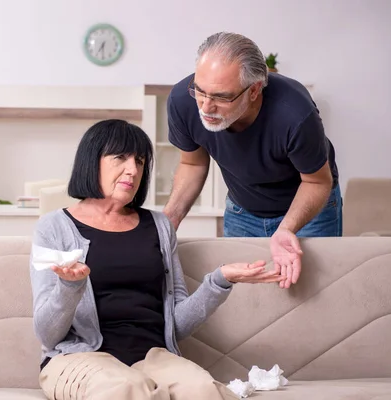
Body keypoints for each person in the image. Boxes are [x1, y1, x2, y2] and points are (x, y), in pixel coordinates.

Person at [29, 119, 285, 400]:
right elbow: (48, 334)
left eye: (139, 161)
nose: (133, 169)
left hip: (154, 357)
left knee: (204, 390)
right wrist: (69, 286)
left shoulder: (160, 227)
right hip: (80, 358)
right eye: (120, 158)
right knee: (127, 387)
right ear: (91, 161)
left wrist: (220, 281)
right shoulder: (54, 227)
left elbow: (177, 326)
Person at [163, 32, 342, 290]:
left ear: (255, 90)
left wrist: (286, 228)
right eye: (200, 91)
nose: (205, 107)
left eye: (221, 97)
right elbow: (193, 164)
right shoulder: (183, 101)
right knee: (244, 299)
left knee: (313, 296)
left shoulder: (295, 114)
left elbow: (317, 182)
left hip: (310, 206)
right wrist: (170, 220)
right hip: (242, 209)